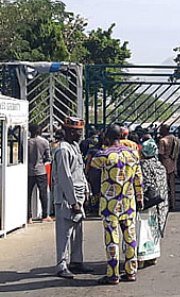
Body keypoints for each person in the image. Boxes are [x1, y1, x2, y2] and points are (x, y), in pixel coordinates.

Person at [91, 124, 144, 285]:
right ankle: (131, 271)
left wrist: (95, 195)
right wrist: (140, 197)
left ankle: (113, 274)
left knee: (111, 238)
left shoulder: (104, 155)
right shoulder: (133, 154)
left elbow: (92, 169)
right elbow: (138, 178)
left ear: (106, 137)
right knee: (130, 237)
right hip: (128, 202)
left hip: (109, 204)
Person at [52, 117, 92, 279]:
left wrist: (86, 190)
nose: (80, 134)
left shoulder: (74, 147)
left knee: (77, 231)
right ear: (69, 131)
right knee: (65, 232)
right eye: (77, 131)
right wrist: (73, 201)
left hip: (78, 194)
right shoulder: (62, 150)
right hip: (66, 198)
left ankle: (76, 261)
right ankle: (61, 265)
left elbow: (79, 171)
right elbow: (65, 177)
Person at [138, 138, 169, 268]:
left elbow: (144, 185)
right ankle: (153, 256)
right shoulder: (160, 165)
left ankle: (142, 258)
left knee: (143, 229)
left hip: (147, 204)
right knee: (154, 229)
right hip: (159, 205)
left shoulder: (143, 165)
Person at [28, 123, 52, 223]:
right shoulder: (45, 142)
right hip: (41, 171)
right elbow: (48, 158)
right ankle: (45, 216)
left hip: (29, 171)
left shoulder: (26, 142)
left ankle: (28, 217)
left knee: (27, 194)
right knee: (43, 194)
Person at [158, 124, 180, 210]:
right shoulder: (175, 139)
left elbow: (161, 153)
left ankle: (166, 203)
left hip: (165, 163)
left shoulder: (162, 141)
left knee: (164, 185)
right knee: (172, 185)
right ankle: (173, 203)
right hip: (173, 162)